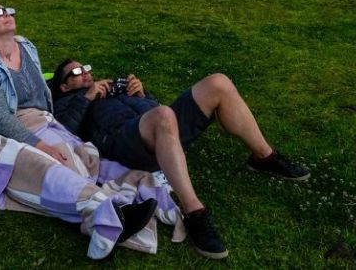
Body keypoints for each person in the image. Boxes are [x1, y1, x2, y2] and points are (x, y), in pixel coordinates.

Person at [50, 59, 310, 259]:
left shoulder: (110, 89)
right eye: (74, 73)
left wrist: (141, 94)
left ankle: (264, 156)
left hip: (160, 127)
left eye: (84, 68)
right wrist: (86, 97)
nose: (84, 72)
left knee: (217, 82)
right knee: (163, 116)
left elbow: (151, 108)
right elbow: (64, 129)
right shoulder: (66, 101)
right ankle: (193, 212)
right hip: (122, 140)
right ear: (64, 86)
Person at [0, 3, 163, 256]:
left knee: (81, 157)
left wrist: (54, 127)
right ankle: (108, 214)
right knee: (45, 165)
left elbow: (41, 95)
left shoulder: (25, 46)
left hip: (40, 121)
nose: (6, 15)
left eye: (8, 10)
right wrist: (39, 144)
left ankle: (132, 197)